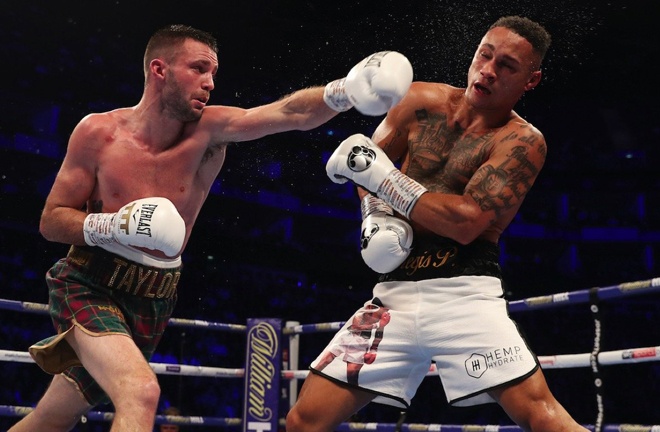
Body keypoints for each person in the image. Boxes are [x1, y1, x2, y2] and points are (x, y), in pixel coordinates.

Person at [9, 24, 413, 432]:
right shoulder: (98, 132)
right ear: (159, 69)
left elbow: (287, 113)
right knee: (140, 391)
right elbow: (51, 220)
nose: (210, 83)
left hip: (153, 297)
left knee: (54, 417)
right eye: (199, 69)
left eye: (214, 73)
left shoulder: (209, 131)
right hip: (88, 282)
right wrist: (112, 226)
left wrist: (343, 90)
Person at [286, 16, 589, 432]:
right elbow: (362, 166)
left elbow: (466, 222)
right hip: (392, 297)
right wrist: (374, 217)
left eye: (507, 66)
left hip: (463, 296)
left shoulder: (522, 141)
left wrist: (383, 179)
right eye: (486, 54)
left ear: (530, 80)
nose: (488, 69)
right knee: (303, 420)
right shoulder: (416, 100)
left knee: (541, 416)